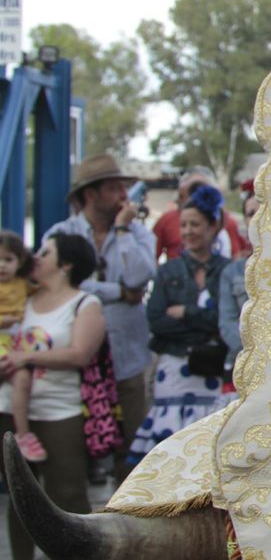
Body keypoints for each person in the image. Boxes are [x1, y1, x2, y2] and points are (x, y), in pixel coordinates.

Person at [42, 153, 156, 483]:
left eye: (124, 187)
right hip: (77, 369)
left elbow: (140, 276)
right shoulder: (60, 236)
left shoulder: (137, 235)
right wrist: (117, 292)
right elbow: (55, 283)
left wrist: (121, 230)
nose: (124, 195)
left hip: (127, 361)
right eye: (115, 188)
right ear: (90, 194)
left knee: (132, 454)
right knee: (72, 456)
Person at [0, 232, 105, 559]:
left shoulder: (85, 304)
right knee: (20, 499)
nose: (35, 257)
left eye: (45, 252)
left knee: (68, 494)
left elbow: (80, 354)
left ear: (66, 264)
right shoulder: (23, 300)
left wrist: (25, 358)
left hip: (60, 412)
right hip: (12, 410)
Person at [131, 185, 232, 460]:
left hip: (211, 369)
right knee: (172, 449)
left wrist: (186, 313)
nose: (187, 231)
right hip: (174, 367)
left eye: (195, 224)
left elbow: (228, 321)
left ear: (213, 226)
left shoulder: (228, 271)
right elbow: (156, 320)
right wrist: (205, 324)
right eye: (183, 224)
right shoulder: (168, 271)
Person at [151, 167, 251, 263]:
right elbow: (151, 256)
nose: (177, 200)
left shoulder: (226, 221)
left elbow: (235, 258)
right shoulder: (166, 219)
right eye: (183, 225)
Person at [0, 232, 36, 458]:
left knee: (22, 378)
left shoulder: (23, 285)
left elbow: (46, 290)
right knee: (20, 374)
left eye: (8, 260)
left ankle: (23, 434)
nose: (2, 265)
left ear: (20, 262)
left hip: (16, 341)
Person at [218, 185, 261, 375]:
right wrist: (256, 354)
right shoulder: (232, 272)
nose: (258, 219)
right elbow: (227, 323)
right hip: (247, 367)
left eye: (263, 211)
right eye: (251, 213)